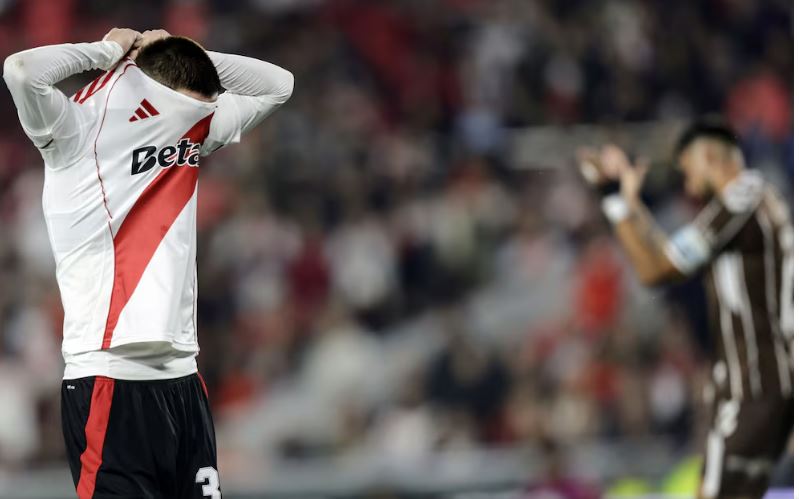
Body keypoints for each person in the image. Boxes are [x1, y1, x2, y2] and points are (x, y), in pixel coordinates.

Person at [3, 27, 293, 498]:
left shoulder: (191, 121)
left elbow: (279, 84)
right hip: (107, 375)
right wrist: (105, 51)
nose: (205, 107)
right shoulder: (77, 126)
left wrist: (176, 52)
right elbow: (20, 70)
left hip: (182, 377)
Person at [578, 120, 793, 499]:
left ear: (708, 155)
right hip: (769, 382)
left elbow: (657, 270)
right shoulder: (755, 204)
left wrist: (613, 199)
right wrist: (629, 203)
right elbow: (667, 253)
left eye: (688, 168)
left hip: (755, 384)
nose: (688, 182)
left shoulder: (742, 198)